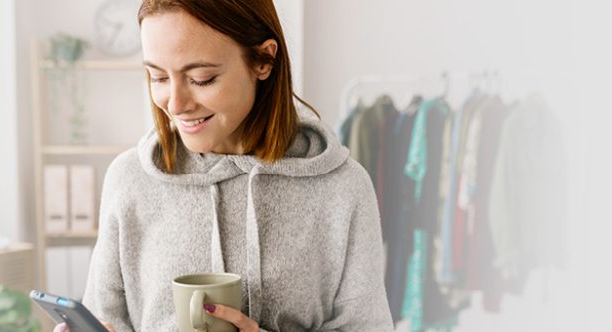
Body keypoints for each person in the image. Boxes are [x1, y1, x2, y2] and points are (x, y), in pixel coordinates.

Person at [60, 0, 392, 331]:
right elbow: (105, 317)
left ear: (264, 60)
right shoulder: (130, 178)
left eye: (201, 78)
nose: (175, 104)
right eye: (157, 77)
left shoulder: (342, 187)